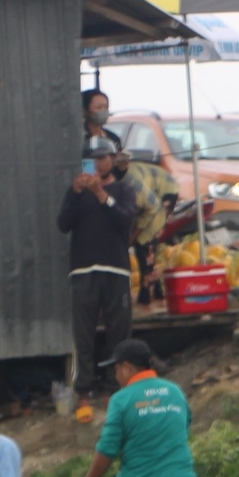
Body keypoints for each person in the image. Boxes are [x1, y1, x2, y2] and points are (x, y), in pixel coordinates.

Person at [74, 340, 204, 477]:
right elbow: (184, 427)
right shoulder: (176, 391)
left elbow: (108, 448)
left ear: (126, 368)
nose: (116, 377)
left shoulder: (121, 399)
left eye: (116, 370)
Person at [58, 137, 137, 399]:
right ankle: (85, 387)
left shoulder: (124, 190)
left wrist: (101, 194)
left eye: (103, 158)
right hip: (83, 270)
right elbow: (63, 223)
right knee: (84, 332)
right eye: (92, 160)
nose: (98, 164)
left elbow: (124, 220)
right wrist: (76, 192)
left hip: (116, 269)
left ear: (112, 159)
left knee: (119, 329)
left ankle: (118, 384)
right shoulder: (77, 192)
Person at [117, 150, 180, 307]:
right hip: (145, 202)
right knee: (142, 243)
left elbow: (153, 207)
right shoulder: (101, 179)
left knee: (145, 242)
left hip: (164, 193)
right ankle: (157, 291)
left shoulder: (131, 183)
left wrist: (135, 234)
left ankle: (148, 295)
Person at [82, 89, 122, 155]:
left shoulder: (113, 138)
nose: (103, 111)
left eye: (106, 107)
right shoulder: (80, 137)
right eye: (99, 107)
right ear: (85, 111)